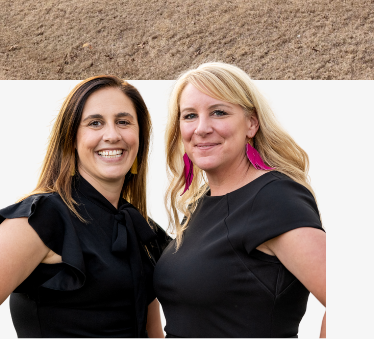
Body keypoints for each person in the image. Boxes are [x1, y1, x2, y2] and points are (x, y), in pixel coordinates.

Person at [153, 63, 325, 338]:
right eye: (189, 116)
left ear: (251, 123)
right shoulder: (200, 202)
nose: (202, 128)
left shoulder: (275, 198)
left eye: (218, 112)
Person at [0, 76, 168, 338]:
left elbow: (153, 333)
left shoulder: (143, 230)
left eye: (123, 122)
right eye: (95, 123)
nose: (112, 135)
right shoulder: (42, 217)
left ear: (140, 137)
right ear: (71, 138)